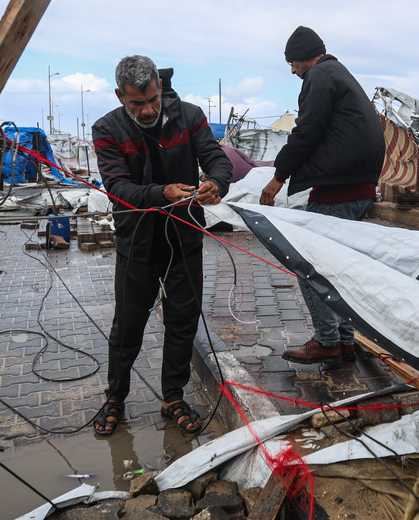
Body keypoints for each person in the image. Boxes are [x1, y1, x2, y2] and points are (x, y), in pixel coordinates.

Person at [91, 55, 232, 434]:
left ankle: (173, 396)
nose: (148, 109)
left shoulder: (189, 116)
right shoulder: (106, 128)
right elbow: (118, 187)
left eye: (153, 98)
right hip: (136, 242)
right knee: (129, 325)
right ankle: (115, 397)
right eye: (137, 103)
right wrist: (162, 193)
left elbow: (217, 159)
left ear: (160, 86)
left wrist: (217, 182)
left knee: (183, 321)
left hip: (183, 238)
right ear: (120, 95)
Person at [260, 26, 384, 364]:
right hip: (360, 187)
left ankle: (327, 340)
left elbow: (307, 131)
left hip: (339, 190)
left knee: (307, 263)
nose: (292, 70)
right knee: (337, 268)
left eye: (292, 63)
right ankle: (344, 341)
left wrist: (278, 177)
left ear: (304, 58)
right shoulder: (339, 73)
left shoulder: (319, 76)